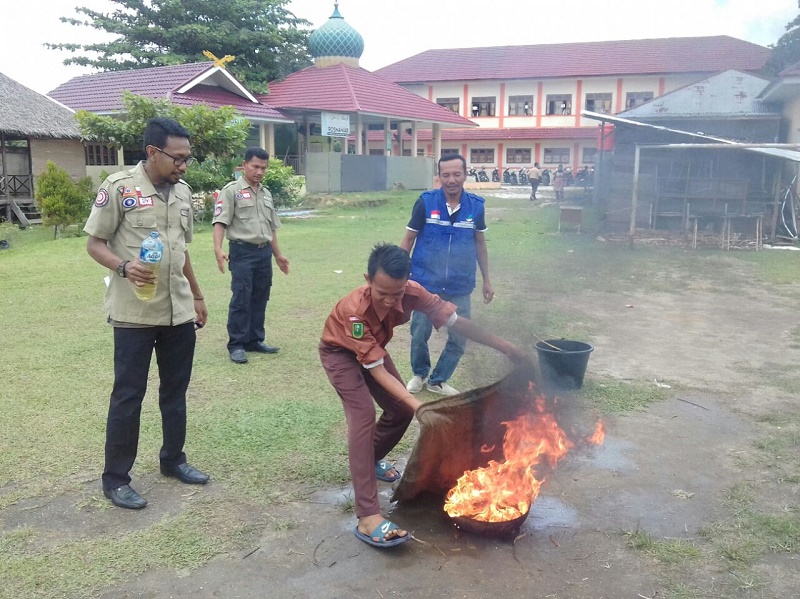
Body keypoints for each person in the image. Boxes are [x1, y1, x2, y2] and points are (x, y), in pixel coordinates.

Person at [319, 243, 526, 548]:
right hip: (341, 353)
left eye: (398, 293)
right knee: (363, 415)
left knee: (399, 411)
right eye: (382, 293)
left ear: (408, 282)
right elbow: (377, 372)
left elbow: (459, 324)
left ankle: (371, 459)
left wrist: (506, 346)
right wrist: (420, 407)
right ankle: (367, 516)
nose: (390, 301)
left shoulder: (414, 292)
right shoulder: (354, 312)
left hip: (373, 349)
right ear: (367, 279)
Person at [84, 117, 210, 510]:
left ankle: (173, 460)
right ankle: (116, 479)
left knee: (175, 392)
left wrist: (199, 297)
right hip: (134, 314)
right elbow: (95, 243)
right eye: (177, 158)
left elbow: (182, 251)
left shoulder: (183, 192)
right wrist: (122, 266)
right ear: (153, 152)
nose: (183, 166)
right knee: (128, 396)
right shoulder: (119, 189)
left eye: (187, 158)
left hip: (178, 311)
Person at [401, 153, 493, 396]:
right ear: (439, 177)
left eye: (456, 174)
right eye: (446, 175)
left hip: (459, 284)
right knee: (419, 332)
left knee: (460, 335)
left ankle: (438, 380)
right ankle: (420, 374)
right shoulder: (425, 202)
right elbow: (409, 238)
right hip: (425, 282)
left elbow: (480, 245)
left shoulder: (477, 206)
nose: (451, 180)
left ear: (465, 175)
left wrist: (487, 280)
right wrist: (399, 274)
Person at [212, 147, 290, 364]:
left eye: (263, 168)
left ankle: (254, 340)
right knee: (241, 297)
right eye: (255, 166)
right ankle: (236, 344)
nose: (259, 171)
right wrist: (218, 249)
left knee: (260, 297)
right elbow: (220, 221)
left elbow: (271, 228)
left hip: (263, 252)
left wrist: (278, 255)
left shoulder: (266, 193)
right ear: (244, 165)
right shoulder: (231, 191)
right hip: (242, 252)